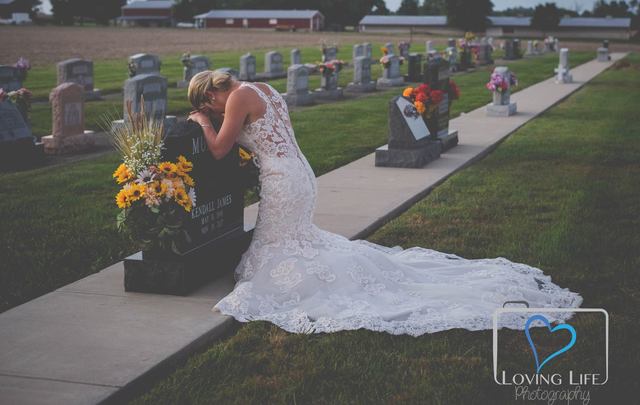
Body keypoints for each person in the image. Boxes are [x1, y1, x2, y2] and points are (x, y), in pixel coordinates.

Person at [187, 70, 583, 337]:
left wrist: (202, 124)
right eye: (210, 112)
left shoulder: (237, 97)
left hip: (282, 178)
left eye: (210, 106)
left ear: (210, 92)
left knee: (281, 247)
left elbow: (220, 148)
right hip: (297, 170)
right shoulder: (260, 87)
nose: (216, 112)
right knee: (295, 240)